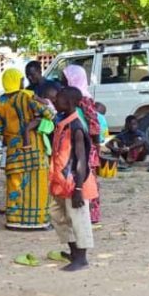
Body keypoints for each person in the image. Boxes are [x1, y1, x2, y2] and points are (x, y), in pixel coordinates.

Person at [0, 68, 55, 230]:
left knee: (15, 183)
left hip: (13, 149)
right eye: (21, 79)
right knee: (37, 183)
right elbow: (49, 114)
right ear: (17, 81)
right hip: (34, 146)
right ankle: (38, 221)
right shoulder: (27, 96)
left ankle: (14, 221)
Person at [48, 87, 98, 271]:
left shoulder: (76, 126)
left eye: (58, 99)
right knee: (59, 216)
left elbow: (81, 159)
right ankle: (74, 252)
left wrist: (78, 189)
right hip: (61, 181)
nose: (54, 101)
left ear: (69, 103)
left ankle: (82, 258)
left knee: (78, 220)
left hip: (75, 183)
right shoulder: (63, 122)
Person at [62, 65, 102, 225]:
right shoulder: (72, 97)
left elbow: (94, 124)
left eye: (65, 78)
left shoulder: (83, 99)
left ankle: (90, 214)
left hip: (85, 145)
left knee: (86, 178)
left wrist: (96, 144)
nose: (62, 81)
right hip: (76, 143)